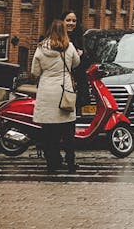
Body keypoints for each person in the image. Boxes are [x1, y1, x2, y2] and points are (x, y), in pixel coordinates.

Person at [31, 18, 81, 174]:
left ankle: (52, 164)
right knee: (68, 131)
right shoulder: (69, 47)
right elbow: (76, 63)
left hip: (47, 92)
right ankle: (71, 162)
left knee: (49, 133)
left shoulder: (41, 48)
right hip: (64, 92)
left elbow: (35, 72)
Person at [61, 10, 88, 108]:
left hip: (78, 81)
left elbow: (86, 61)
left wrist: (82, 54)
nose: (71, 23)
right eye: (68, 20)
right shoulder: (57, 38)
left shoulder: (80, 37)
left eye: (74, 21)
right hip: (63, 81)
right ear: (62, 21)